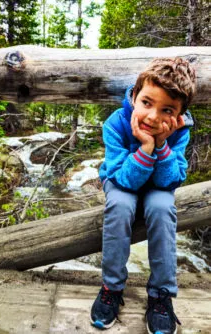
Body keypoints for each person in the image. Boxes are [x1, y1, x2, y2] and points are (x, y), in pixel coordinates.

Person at [90, 57, 196, 334]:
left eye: (167, 110)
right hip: (122, 182)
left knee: (162, 209)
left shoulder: (179, 132)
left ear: (179, 115)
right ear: (134, 96)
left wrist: (160, 144)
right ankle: (111, 287)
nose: (152, 117)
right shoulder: (116, 123)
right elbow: (124, 180)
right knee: (120, 205)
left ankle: (161, 295)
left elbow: (171, 179)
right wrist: (146, 147)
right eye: (147, 103)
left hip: (158, 188)